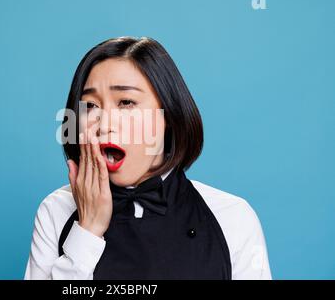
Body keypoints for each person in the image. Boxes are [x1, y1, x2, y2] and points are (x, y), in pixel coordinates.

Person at [24, 36, 272, 280]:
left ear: (168, 118)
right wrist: (87, 231)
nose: (104, 124)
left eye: (126, 102)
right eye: (90, 106)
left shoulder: (233, 217)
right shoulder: (56, 211)